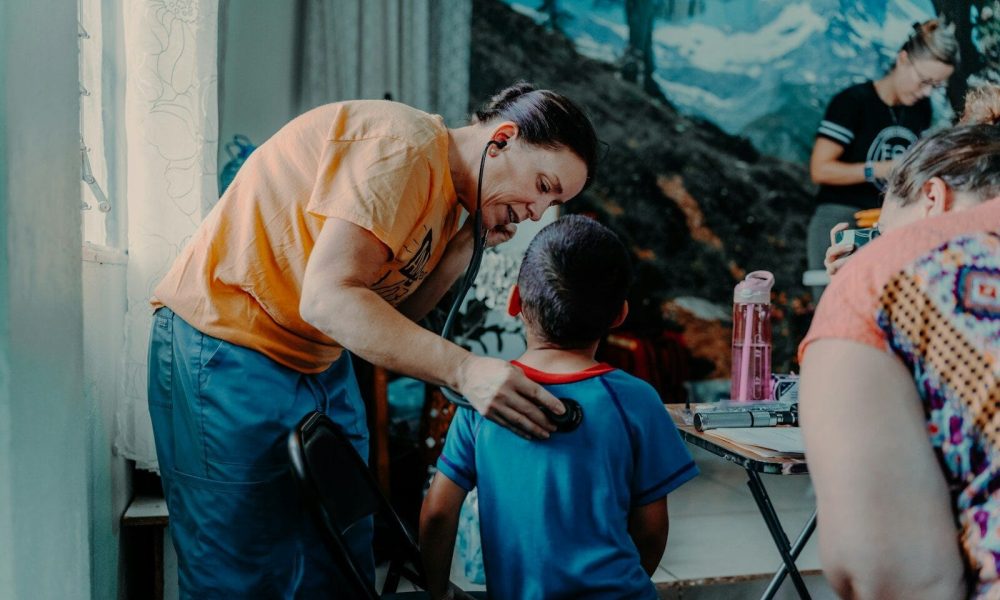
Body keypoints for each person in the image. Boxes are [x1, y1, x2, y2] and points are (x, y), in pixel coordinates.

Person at [146, 82, 599, 597]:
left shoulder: (452, 202)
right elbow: (329, 299)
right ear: (502, 139)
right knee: (240, 566)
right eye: (543, 185)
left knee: (338, 553)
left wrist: (462, 244)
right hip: (228, 342)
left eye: (554, 202)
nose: (538, 212)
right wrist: (465, 369)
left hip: (316, 357)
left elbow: (387, 317)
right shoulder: (401, 147)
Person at [419, 215, 699, 600]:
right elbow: (651, 529)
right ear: (619, 315)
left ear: (514, 300)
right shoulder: (637, 400)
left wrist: (439, 593)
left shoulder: (483, 398)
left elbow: (437, 513)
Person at [798, 101, 1000, 597]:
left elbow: (887, 573)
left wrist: (860, 289)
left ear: (933, 197)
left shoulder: (887, 277)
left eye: (884, 231)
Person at [806, 19, 958, 296]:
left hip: (887, 220)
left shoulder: (919, 109)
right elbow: (820, 169)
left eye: (935, 86)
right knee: (837, 300)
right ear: (903, 59)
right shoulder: (853, 101)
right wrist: (879, 169)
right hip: (842, 216)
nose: (925, 91)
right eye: (924, 80)